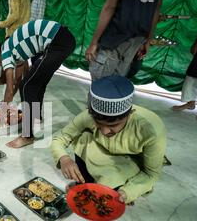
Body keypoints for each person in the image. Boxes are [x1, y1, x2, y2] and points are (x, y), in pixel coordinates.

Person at [51, 75, 167, 204]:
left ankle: (113, 186)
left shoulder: (151, 129)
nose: (105, 131)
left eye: (113, 126)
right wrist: (64, 158)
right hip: (100, 149)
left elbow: (151, 174)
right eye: (99, 123)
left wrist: (127, 192)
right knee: (83, 139)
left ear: (130, 114)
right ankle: (83, 184)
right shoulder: (88, 116)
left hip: (130, 159)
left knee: (113, 189)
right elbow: (60, 138)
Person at [0, 19, 76, 148]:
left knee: (27, 86)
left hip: (57, 41)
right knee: (36, 83)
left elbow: (10, 89)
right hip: (64, 39)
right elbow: (17, 80)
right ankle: (36, 117)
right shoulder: (13, 48)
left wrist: (3, 111)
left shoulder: (5, 53)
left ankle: (27, 136)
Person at [85, 0, 168, 80]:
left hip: (115, 37)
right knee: (116, 88)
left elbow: (110, 6)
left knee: (100, 89)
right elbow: (157, 7)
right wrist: (147, 40)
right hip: (138, 37)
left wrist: (94, 43)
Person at [0, 0, 31, 86]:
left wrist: (0, 24)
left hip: (14, 32)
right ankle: (27, 81)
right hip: (24, 31)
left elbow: (14, 16)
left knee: (6, 57)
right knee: (23, 58)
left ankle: (4, 79)